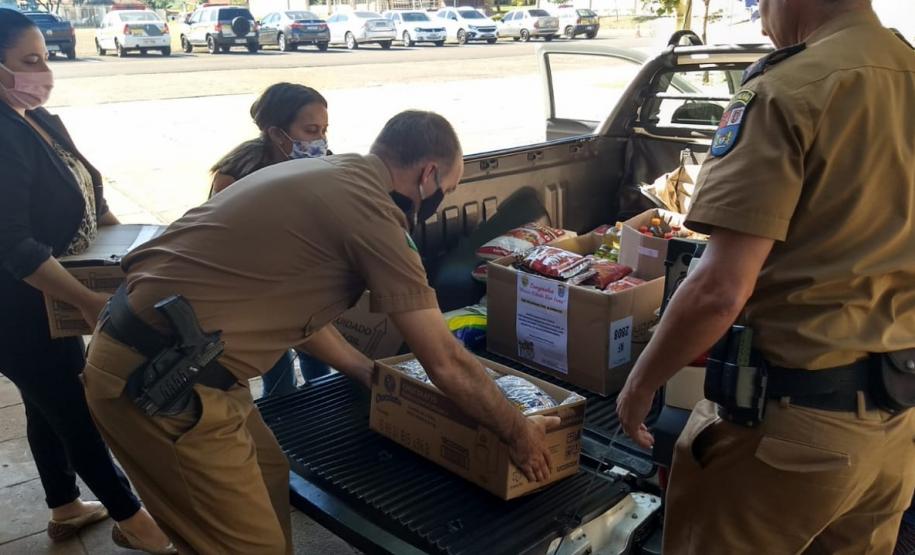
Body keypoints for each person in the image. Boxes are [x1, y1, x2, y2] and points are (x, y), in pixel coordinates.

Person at [81, 110, 560, 553]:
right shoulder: (372, 214)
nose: (441, 200)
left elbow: (292, 312)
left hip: (179, 360)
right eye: (448, 189)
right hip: (160, 385)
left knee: (270, 476)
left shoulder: (332, 174)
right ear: (428, 174)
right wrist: (517, 431)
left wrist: (368, 373)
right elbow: (445, 360)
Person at [615, 1, 915, 553]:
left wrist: (640, 384)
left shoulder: (789, 90)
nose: (759, 17)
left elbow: (718, 291)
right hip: (893, 435)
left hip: (785, 440)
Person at [0, 9, 174, 553]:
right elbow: (13, 243)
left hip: (47, 296)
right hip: (15, 304)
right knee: (75, 407)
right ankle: (134, 521)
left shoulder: (36, 118)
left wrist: (129, 247)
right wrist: (87, 300)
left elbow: (89, 196)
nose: (44, 72)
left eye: (45, 58)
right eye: (30, 61)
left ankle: (64, 505)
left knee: (44, 401)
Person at [209, 82, 333, 397]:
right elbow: (220, 245)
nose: (320, 140)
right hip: (256, 296)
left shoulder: (324, 166)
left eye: (324, 130)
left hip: (307, 292)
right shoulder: (235, 176)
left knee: (321, 369)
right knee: (278, 378)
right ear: (277, 134)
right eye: (311, 130)